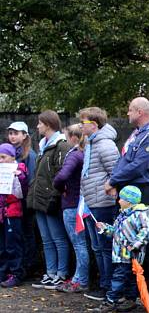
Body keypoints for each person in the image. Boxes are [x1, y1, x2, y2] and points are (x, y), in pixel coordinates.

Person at [78, 107, 120, 301]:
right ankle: (104, 283)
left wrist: (109, 190)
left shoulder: (104, 145)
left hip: (103, 202)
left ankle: (108, 286)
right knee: (97, 246)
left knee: (105, 246)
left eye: (83, 122)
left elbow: (115, 172)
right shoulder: (91, 144)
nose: (80, 126)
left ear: (94, 125)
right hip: (92, 201)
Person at [28, 110, 71, 289]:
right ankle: (50, 272)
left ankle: (61, 273)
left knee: (58, 238)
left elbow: (61, 174)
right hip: (39, 199)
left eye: (40, 123)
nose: (37, 126)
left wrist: (54, 196)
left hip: (51, 199)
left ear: (48, 124)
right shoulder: (43, 145)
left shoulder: (61, 146)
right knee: (46, 239)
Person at [95, 185, 149, 313]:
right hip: (120, 254)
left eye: (121, 198)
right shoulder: (123, 215)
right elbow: (116, 233)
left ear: (129, 201)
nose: (119, 201)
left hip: (129, 254)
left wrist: (135, 244)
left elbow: (147, 231)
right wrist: (104, 228)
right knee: (129, 278)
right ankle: (130, 299)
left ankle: (110, 300)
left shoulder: (139, 214)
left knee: (118, 277)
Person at [53, 124, 90, 293]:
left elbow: (62, 176)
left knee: (78, 244)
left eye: (67, 136)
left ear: (74, 138)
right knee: (81, 244)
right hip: (81, 203)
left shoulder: (74, 155)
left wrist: (61, 189)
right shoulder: (85, 154)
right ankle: (78, 277)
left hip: (72, 204)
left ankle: (80, 280)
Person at [106, 97, 149, 206]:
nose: (128, 113)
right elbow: (123, 159)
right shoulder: (138, 134)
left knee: (136, 223)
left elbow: (139, 166)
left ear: (140, 112)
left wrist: (112, 181)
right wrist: (114, 181)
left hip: (141, 191)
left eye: (130, 110)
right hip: (128, 190)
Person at [7, 121, 38, 279]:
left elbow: (32, 178)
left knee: (27, 233)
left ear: (25, 135)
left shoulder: (29, 155)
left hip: (25, 201)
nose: (12, 136)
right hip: (13, 202)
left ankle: (29, 266)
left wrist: (28, 201)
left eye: (16, 133)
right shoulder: (10, 152)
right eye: (11, 133)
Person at [0, 143, 28, 288]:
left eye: (3, 157)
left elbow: (22, 193)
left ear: (12, 157)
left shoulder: (20, 168)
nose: (1, 160)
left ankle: (16, 273)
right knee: (2, 246)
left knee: (13, 245)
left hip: (13, 212)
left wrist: (20, 178)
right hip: (1, 213)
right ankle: (3, 272)